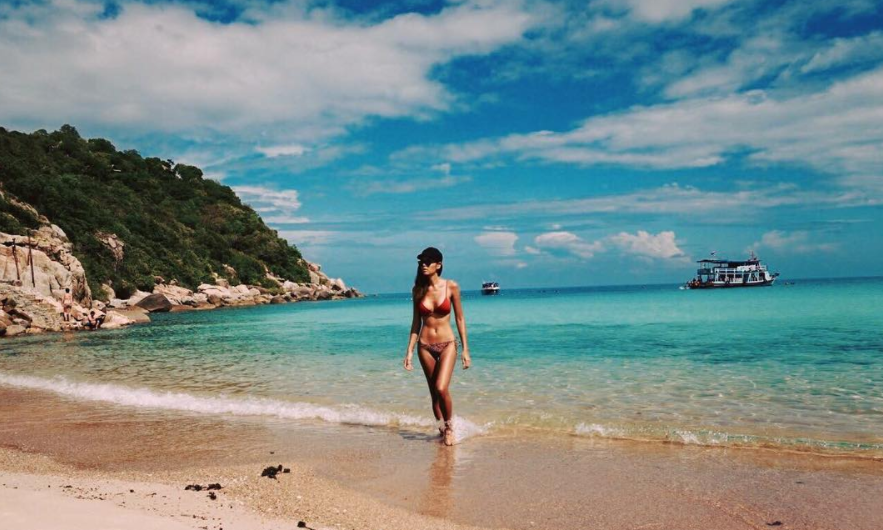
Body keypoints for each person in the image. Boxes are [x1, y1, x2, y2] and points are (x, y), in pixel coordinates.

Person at [403, 247, 471, 446]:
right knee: (434, 394)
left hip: (448, 343)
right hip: (425, 346)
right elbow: (416, 323)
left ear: (438, 265)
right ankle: (441, 429)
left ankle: (449, 428)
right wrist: (409, 351)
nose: (423, 265)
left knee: (441, 388)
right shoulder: (418, 290)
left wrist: (465, 350)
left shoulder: (451, 286)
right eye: (421, 262)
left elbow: (460, 318)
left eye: (428, 262)